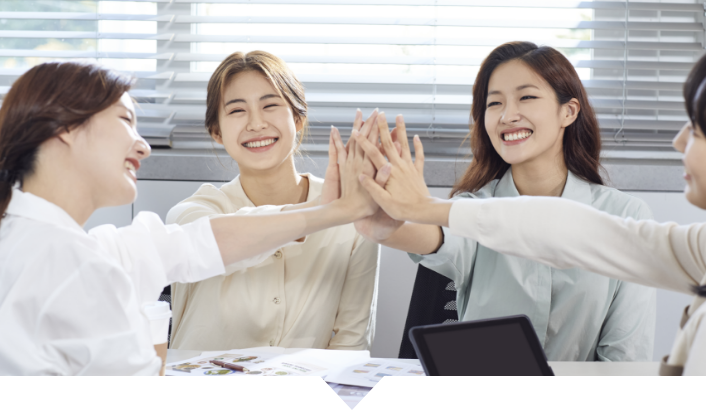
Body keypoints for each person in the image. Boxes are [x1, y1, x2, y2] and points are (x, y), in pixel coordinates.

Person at [0, 61, 377, 375]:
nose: (144, 146)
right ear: (65, 130)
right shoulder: (70, 264)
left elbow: (200, 242)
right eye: (126, 120)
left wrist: (331, 212)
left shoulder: (53, 244)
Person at [355, 52, 706, 376]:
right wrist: (389, 225)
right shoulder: (470, 207)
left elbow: (625, 360)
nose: (507, 115)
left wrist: (424, 207)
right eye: (494, 103)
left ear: (568, 111)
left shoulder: (626, 214)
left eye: (526, 97)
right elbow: (439, 236)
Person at [166, 51, 380, 352]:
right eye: (237, 110)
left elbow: (351, 343)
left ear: (298, 118)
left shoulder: (353, 217)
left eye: (270, 105)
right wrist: (329, 211)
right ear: (217, 132)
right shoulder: (193, 214)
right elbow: (216, 239)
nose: (256, 123)